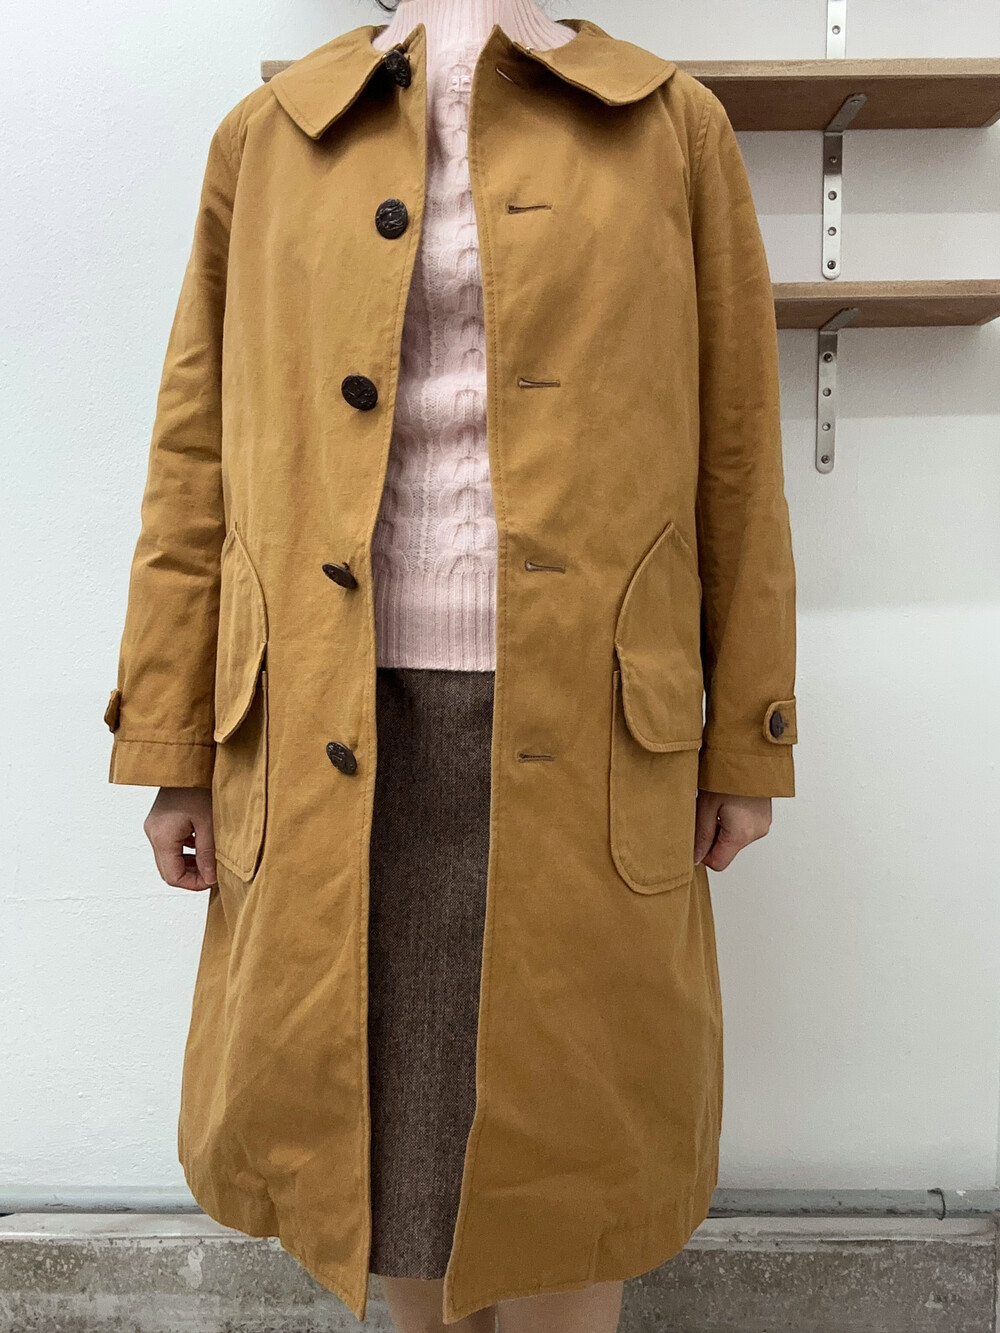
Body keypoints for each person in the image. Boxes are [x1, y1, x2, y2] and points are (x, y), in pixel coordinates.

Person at [105, 0, 797, 1328]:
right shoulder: (270, 137)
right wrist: (173, 743)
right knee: (385, 1172)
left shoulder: (672, 129)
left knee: (573, 1160)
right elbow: (194, 454)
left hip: (595, 727)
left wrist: (747, 736)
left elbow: (738, 448)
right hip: (331, 723)